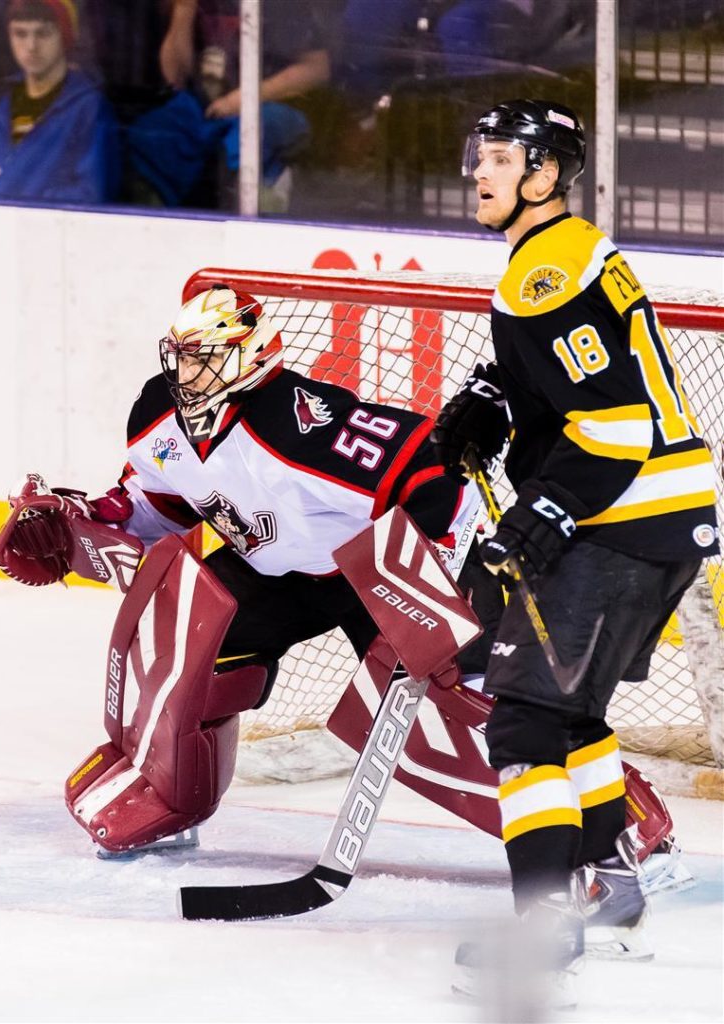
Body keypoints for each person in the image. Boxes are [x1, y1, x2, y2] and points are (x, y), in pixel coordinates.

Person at [0, 283, 501, 852]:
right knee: (188, 645)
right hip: (275, 571)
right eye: (182, 356)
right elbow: (159, 502)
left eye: (206, 358)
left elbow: (438, 479)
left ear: (252, 356)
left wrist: (432, 588)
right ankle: (170, 796)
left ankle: (575, 832)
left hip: (371, 574)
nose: (188, 372)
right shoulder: (157, 413)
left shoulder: (299, 426)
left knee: (459, 711)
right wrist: (81, 519)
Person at [432, 99, 720, 1001]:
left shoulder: (543, 273)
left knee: (522, 719)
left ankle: (544, 928)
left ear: (546, 175)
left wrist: (537, 518)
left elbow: (614, 424)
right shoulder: (562, 252)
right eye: (478, 153)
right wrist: (491, 391)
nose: (479, 170)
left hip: (620, 521)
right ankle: (616, 899)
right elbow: (577, 376)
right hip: (665, 517)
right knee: (568, 716)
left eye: (501, 157)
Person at [125, 0, 330, 208]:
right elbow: (175, 78)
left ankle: (257, 210)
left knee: (247, 138)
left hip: (268, 107)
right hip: (206, 112)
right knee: (153, 133)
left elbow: (317, 69)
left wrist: (243, 99)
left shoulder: (279, 6)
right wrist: (183, 13)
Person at [0, 0, 119, 203]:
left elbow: (91, 195)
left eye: (43, 33)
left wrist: (11, 200)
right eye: (20, 33)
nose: (31, 46)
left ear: (65, 37)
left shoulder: (89, 109)